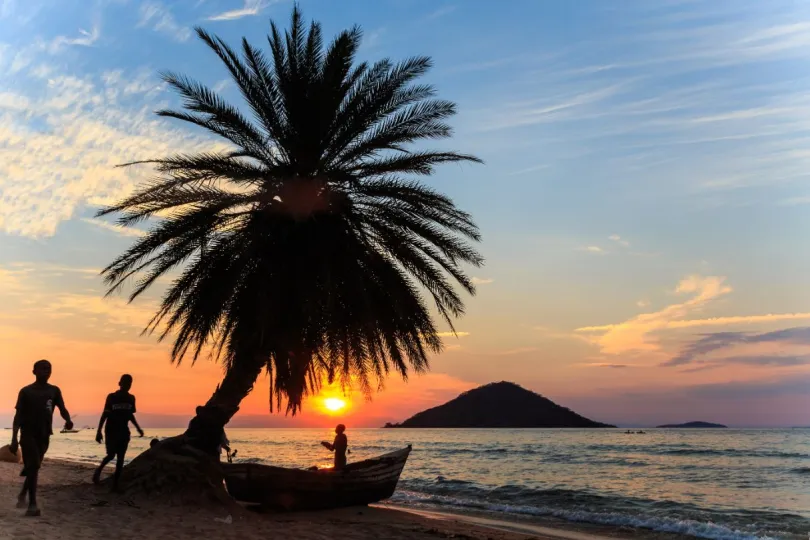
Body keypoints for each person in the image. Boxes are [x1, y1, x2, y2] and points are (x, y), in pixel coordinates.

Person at [10, 359, 73, 517]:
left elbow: (62, 409)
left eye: (49, 369)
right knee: (34, 465)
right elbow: (18, 416)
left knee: (33, 468)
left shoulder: (54, 391)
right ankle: (32, 505)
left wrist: (68, 419)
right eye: (43, 368)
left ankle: (22, 495)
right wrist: (14, 439)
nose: (46, 371)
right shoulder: (26, 391)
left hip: (45, 435)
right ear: (34, 371)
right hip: (27, 434)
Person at [93, 374, 144, 490]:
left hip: (124, 431)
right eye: (125, 382)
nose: (127, 385)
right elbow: (105, 414)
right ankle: (98, 471)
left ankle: (115, 485)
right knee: (111, 455)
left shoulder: (131, 398)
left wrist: (138, 427)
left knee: (121, 458)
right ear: (119, 383)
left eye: (129, 383)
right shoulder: (112, 397)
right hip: (111, 430)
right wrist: (99, 431)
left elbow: (130, 415)